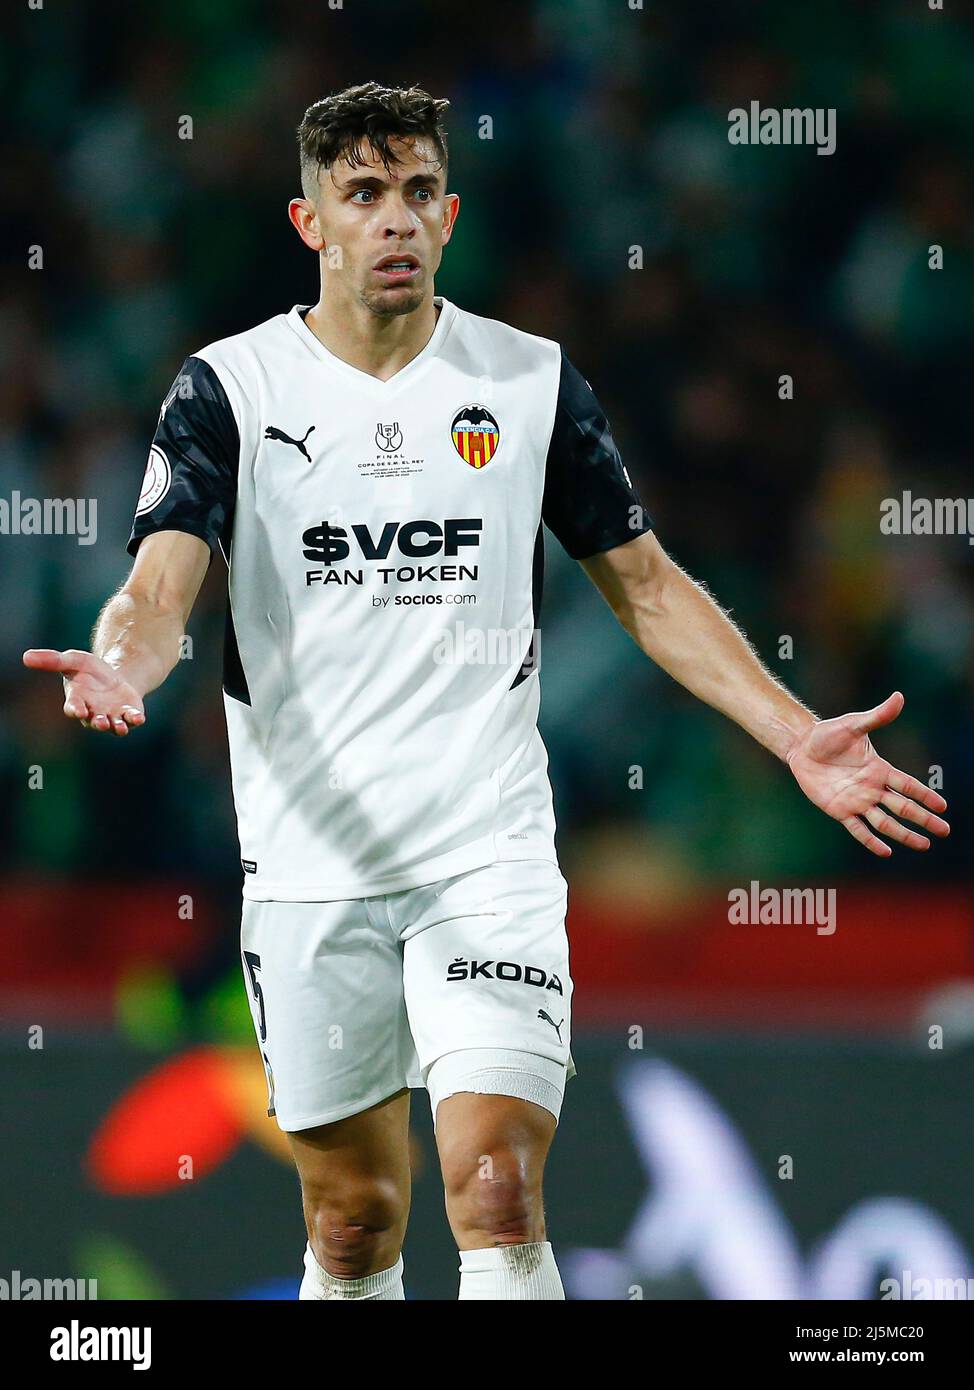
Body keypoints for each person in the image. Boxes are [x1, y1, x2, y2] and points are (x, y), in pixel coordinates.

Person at [23, 82, 949, 1301]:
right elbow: (160, 584)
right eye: (362, 195)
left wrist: (791, 735)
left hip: (485, 854)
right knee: (353, 1223)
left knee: (495, 1185)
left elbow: (647, 586)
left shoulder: (527, 383)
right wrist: (124, 661)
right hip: (310, 864)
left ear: (448, 213)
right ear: (311, 223)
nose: (393, 220)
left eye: (415, 194)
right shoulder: (230, 391)